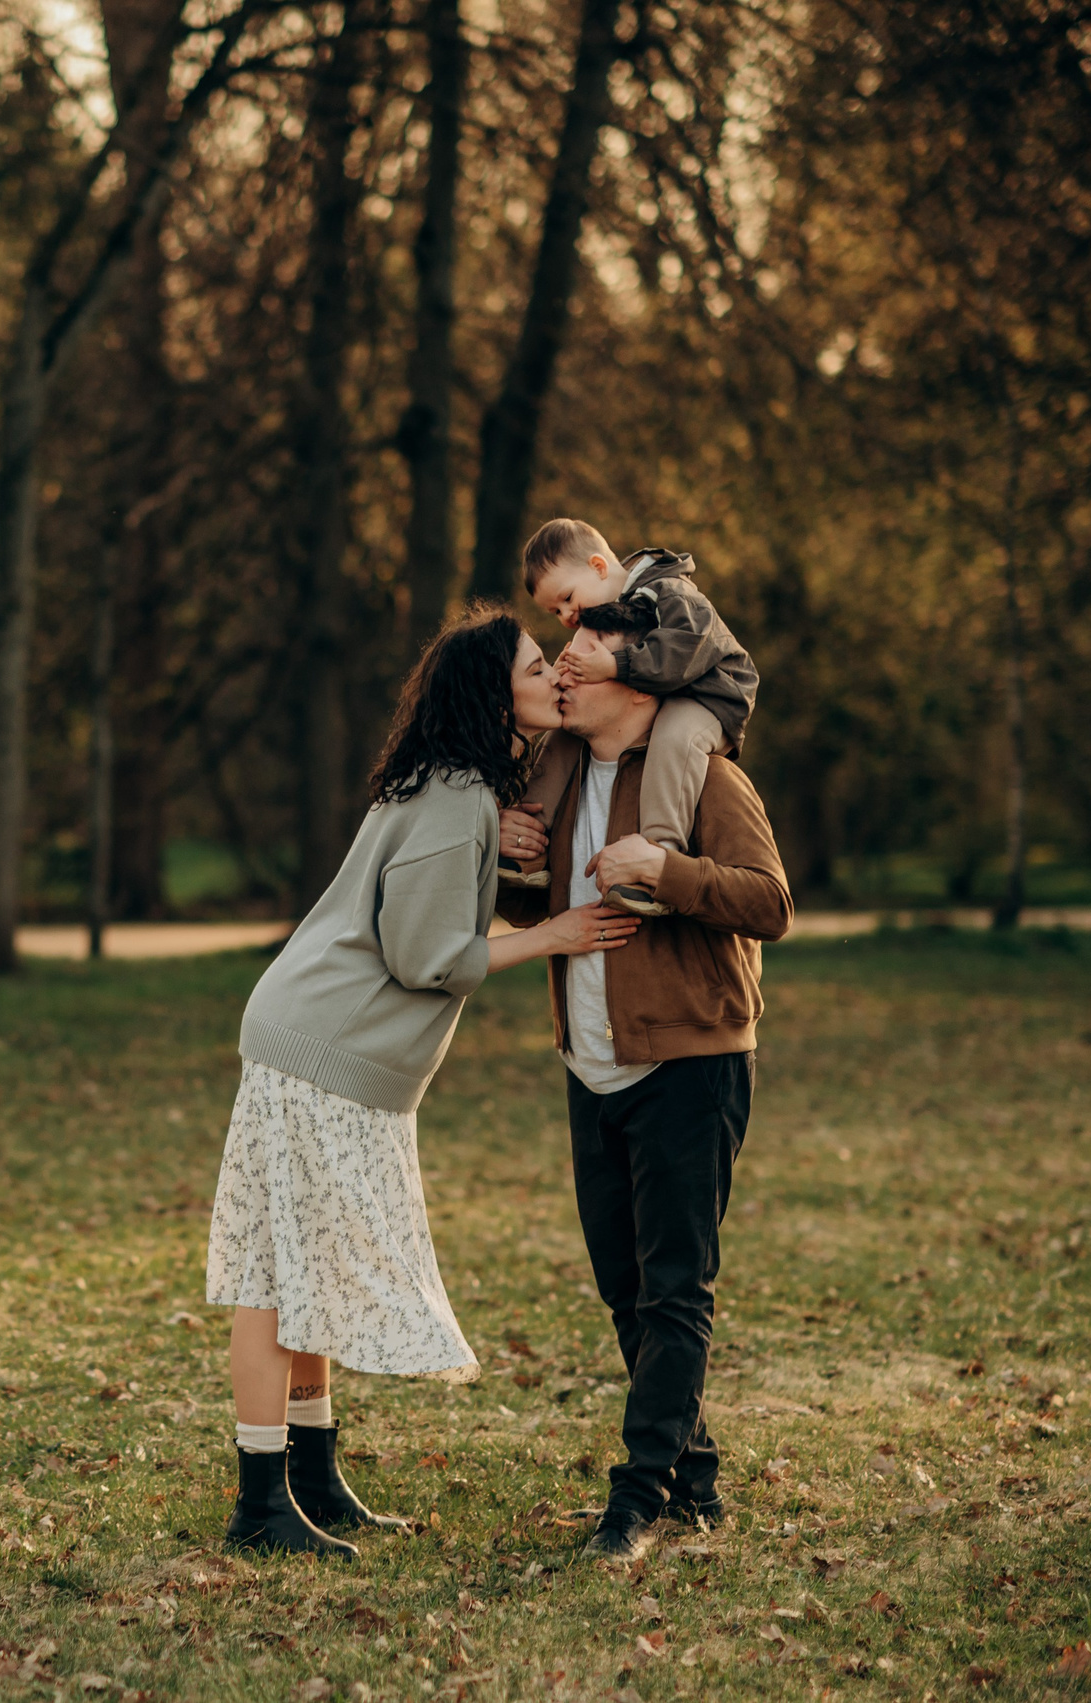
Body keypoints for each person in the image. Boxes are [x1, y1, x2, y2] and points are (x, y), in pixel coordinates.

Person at [206, 604, 643, 1558]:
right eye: (537, 665)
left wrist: (499, 851)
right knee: (278, 1278)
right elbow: (421, 955)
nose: (554, 675)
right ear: (495, 693)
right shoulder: (454, 800)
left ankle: (311, 1477)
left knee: (304, 1263)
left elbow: (430, 895)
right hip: (325, 1051)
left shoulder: (451, 788)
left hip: (320, 1044)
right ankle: (259, 1504)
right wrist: (553, 935)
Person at [495, 597, 792, 1562]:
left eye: (582, 658)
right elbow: (538, 903)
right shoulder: (562, 773)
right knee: (625, 1288)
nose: (565, 674)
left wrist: (666, 872)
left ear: (640, 676)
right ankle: (693, 1478)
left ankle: (635, 1500)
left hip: (690, 1060)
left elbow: (769, 902)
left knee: (673, 1291)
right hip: (591, 1065)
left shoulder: (702, 773)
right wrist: (508, 863)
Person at [506, 518, 759, 921]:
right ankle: (528, 843)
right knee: (561, 735)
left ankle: (658, 853)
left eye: (568, 599)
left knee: (676, 738)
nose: (568, 615)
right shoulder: (577, 767)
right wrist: (502, 836)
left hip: (712, 691)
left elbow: (688, 646)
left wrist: (616, 664)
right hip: (660, 680)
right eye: (557, 611)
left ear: (599, 567)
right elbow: (523, 915)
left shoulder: (670, 591)